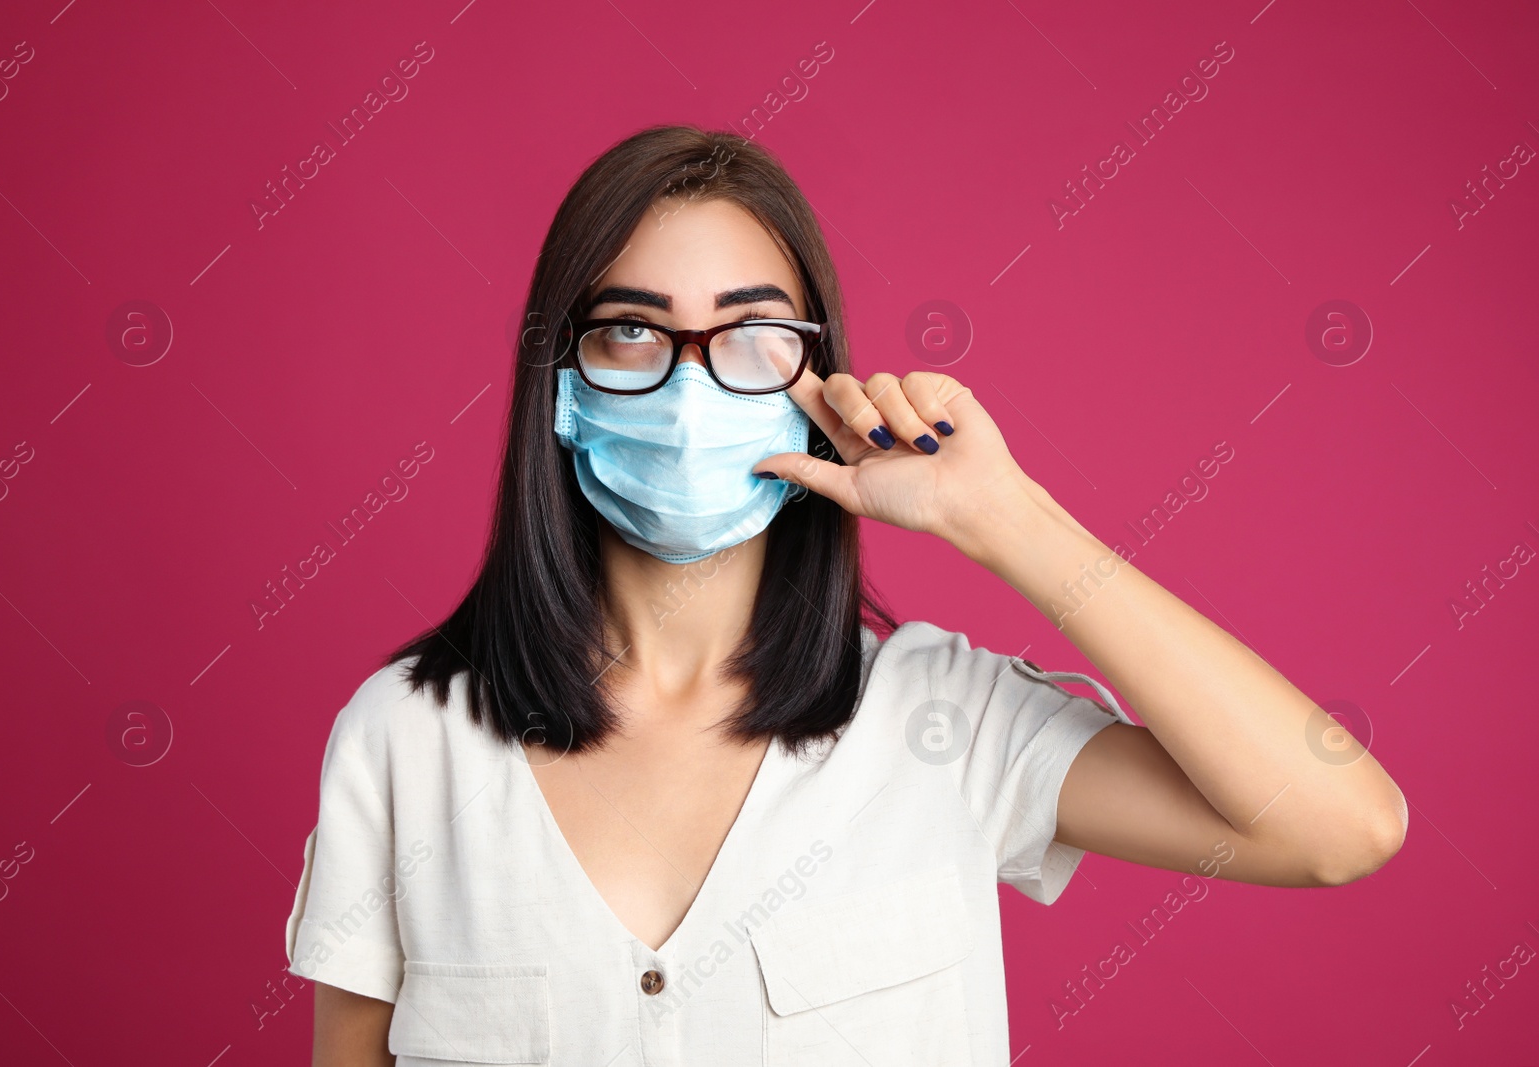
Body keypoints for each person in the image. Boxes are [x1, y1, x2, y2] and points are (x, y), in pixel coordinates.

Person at [284, 124, 1406, 1065]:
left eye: (751, 332)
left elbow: (1338, 824)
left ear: (815, 376)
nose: (687, 380)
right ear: (562, 383)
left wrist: (1003, 518)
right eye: (630, 329)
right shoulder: (405, 736)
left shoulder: (947, 723)